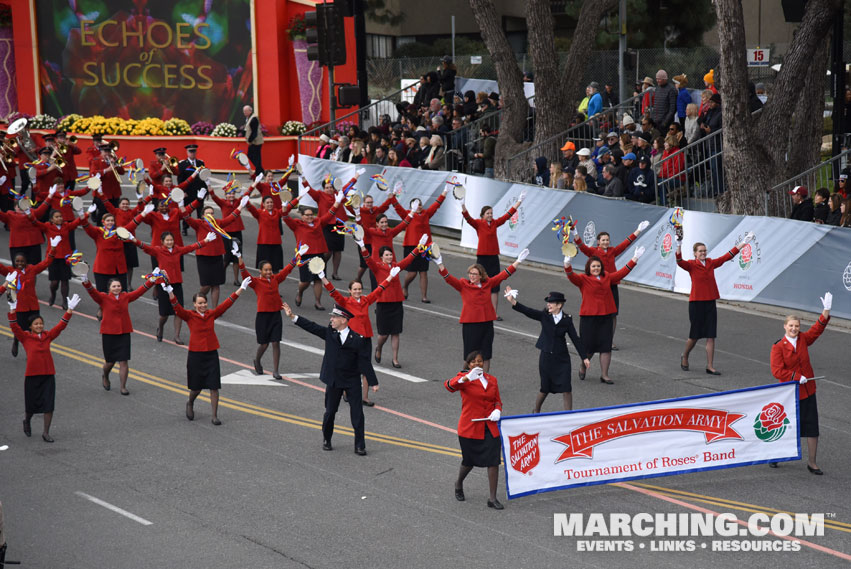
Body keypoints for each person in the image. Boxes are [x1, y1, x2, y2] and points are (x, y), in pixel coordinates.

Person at [283, 302, 373, 455]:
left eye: (334, 317)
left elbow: (364, 361)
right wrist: (292, 316)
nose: (331, 319)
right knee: (330, 412)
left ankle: (360, 445)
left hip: (351, 380)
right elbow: (312, 327)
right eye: (331, 317)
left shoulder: (357, 338)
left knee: (357, 414)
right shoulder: (329, 334)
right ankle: (327, 438)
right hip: (334, 380)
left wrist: (373, 381)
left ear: (343, 320)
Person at [165, 277, 250, 425]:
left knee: (214, 386)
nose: (203, 305)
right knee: (196, 387)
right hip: (196, 355)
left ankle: (214, 416)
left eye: (204, 302)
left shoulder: (211, 314)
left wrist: (241, 289)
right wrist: (170, 292)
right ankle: (190, 402)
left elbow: (226, 304)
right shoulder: (189, 315)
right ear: (194, 305)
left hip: (211, 354)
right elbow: (177, 308)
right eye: (200, 303)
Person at [434, 247, 529, 372]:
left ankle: (484, 381)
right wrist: (440, 264)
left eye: (475, 274)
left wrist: (518, 262)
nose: (472, 276)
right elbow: (449, 279)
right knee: (470, 356)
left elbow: (503, 275)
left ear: (481, 275)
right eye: (471, 274)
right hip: (471, 325)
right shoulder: (463, 285)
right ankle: (462, 378)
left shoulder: (488, 283)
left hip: (487, 323)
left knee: (486, 354)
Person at [768, 293, 832, 474]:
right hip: (790, 392)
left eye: (796, 326)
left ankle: (812, 462)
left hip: (808, 391)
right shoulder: (778, 346)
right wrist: (796, 376)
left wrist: (826, 310)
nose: (794, 329)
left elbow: (817, 329)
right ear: (785, 327)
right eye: (791, 326)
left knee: (812, 427)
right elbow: (777, 371)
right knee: (786, 426)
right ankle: (776, 455)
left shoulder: (803, 339)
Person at [320, 265, 400, 405]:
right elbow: (333, 292)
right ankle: (345, 391)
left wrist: (390, 277)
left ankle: (364, 397)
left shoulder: (365, 300)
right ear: (350, 291)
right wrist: (323, 278)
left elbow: (379, 290)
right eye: (355, 289)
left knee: (366, 367)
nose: (357, 291)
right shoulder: (345, 301)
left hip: (365, 339)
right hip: (351, 340)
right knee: (349, 366)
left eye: (359, 289)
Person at [677, 233, 754, 374]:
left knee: (711, 335)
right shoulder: (691, 265)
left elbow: (727, 257)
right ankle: (685, 355)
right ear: (695, 253)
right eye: (700, 251)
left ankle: (710, 366)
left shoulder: (711, 263)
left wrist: (743, 243)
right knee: (694, 336)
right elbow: (679, 261)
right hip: (696, 304)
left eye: (704, 250)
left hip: (710, 302)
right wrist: (679, 244)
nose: (703, 253)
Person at [9, 292, 81, 442]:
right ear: (30, 327)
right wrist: (12, 310)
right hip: (32, 375)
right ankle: (27, 421)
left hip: (48, 374)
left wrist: (69, 310)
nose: (39, 326)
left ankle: (45, 432)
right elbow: (15, 327)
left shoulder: (48, 335)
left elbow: (60, 327)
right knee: (31, 404)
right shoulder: (26, 337)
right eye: (36, 324)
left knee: (49, 404)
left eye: (41, 323)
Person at [564, 247, 643, 384]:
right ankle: (583, 367)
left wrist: (635, 258)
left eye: (598, 266)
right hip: (589, 318)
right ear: (589, 267)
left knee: (605, 347)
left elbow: (621, 273)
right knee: (589, 348)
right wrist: (567, 264)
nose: (596, 268)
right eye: (593, 266)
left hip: (606, 316)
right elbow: (571, 275)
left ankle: (604, 375)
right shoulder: (583, 279)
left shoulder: (607, 277)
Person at [505, 288, 589, 412]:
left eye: (551, 302)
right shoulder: (544, 316)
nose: (548, 304)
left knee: (567, 388)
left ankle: (568, 415)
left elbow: (575, 339)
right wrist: (513, 301)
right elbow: (528, 311)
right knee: (545, 388)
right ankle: (536, 410)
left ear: (559, 305)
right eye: (548, 302)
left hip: (562, 358)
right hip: (546, 357)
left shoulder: (567, 319)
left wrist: (584, 357)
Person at [574, 221, 649, 350]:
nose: (605, 242)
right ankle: (594, 339)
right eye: (603, 240)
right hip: (597, 287)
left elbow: (625, 244)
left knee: (613, 314)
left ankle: (609, 340)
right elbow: (581, 246)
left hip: (611, 284)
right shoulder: (593, 252)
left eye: (607, 240)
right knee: (598, 313)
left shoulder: (612, 251)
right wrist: (575, 233)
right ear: (598, 242)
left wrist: (638, 230)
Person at [81, 271, 158, 395]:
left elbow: (139, 291)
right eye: (114, 286)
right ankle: (105, 375)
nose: (117, 288)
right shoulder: (103, 298)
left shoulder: (125, 297)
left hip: (124, 332)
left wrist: (152, 280)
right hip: (109, 333)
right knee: (110, 362)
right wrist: (85, 281)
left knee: (124, 360)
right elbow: (92, 292)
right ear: (109, 289)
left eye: (118, 286)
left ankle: (123, 387)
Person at [444, 351, 504, 510]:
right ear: (468, 364)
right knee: (469, 461)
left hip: (489, 427)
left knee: (493, 461)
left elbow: (497, 401)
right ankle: (459, 483)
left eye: (480, 361)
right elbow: (449, 386)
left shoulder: (492, 380)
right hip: (470, 428)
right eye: (473, 362)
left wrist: (497, 411)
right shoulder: (464, 379)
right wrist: (466, 377)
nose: (477, 364)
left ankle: (492, 498)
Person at [238, 244, 308, 380]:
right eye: (266, 270)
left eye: (270, 270)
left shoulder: (276, 279)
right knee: (264, 344)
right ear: (260, 271)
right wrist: (239, 258)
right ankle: (257, 360)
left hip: (276, 314)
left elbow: (287, 270)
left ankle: (276, 370)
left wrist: (297, 256)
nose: (269, 272)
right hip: (263, 316)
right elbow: (244, 274)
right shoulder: (256, 282)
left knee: (276, 342)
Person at [132, 231, 212, 343]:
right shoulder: (158, 250)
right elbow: (145, 247)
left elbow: (190, 248)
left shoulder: (177, 250)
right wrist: (134, 240)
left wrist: (206, 240)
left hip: (177, 283)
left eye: (171, 240)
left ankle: (176, 335)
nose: (170, 242)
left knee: (178, 311)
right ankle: (160, 327)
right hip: (163, 284)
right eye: (167, 240)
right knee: (164, 314)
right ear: (162, 242)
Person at [460, 192, 525, 319]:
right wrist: (463, 205)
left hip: (493, 258)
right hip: (482, 259)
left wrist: (519, 201)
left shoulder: (495, 223)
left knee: (495, 286)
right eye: (487, 213)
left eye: (491, 213)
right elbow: (468, 218)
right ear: (483, 215)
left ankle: (493, 313)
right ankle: (476, 308)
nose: (490, 215)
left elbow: (507, 216)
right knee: (479, 283)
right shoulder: (478, 223)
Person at [359, 241, 420, 368]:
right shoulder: (377, 267)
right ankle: (379, 347)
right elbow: (368, 260)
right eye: (387, 255)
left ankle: (395, 359)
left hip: (397, 302)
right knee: (383, 334)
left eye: (391, 255)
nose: (389, 257)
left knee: (396, 332)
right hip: (383, 303)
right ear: (381, 257)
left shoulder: (395, 267)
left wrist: (419, 247)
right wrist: (362, 246)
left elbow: (408, 260)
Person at [184, 195, 249, 307]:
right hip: (203, 257)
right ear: (203, 216)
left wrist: (240, 206)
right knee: (206, 285)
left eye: (212, 213)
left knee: (216, 284)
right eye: (208, 213)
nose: (211, 215)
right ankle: (198, 300)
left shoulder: (218, 223)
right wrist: (182, 205)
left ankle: (215, 309)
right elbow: (186, 217)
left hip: (217, 257)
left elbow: (231, 218)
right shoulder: (199, 224)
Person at [391, 187, 449, 303]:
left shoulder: (426, 214)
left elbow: (436, 204)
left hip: (424, 247)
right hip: (411, 246)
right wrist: (392, 196)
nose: (419, 206)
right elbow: (397, 207)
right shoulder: (408, 214)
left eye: (420, 204)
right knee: (412, 273)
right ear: (411, 206)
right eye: (416, 204)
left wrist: (444, 193)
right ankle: (405, 286)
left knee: (423, 272)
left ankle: (424, 296)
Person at [0, 241, 57, 357]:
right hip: (20, 306)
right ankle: (16, 342)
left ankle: (31, 352)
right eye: (17, 261)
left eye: (22, 261)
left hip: (33, 305)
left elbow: (46, 263)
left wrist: (53, 248)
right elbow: (1, 268)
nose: (19, 263)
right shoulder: (11, 271)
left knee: (34, 330)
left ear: (26, 261)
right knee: (20, 329)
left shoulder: (32, 269)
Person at [283, 197, 339, 310]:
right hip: (305, 256)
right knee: (306, 281)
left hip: (318, 255)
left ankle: (318, 302)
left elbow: (330, 214)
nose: (309, 217)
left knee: (319, 279)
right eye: (307, 215)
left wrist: (338, 201)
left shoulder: (318, 222)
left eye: (311, 214)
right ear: (302, 216)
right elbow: (285, 216)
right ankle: (300, 292)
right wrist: (286, 205)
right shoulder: (296, 224)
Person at [28, 205, 85, 309]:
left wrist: (84, 214)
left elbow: (78, 222)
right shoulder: (47, 226)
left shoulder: (66, 226)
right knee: (54, 282)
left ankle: (65, 301)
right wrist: (29, 214)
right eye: (57, 217)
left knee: (65, 280)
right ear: (51, 219)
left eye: (60, 216)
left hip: (65, 257)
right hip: (53, 258)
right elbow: (35, 223)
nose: (60, 218)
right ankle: (53, 294)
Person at [244, 194, 299, 273]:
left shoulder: (277, 212)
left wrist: (298, 198)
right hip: (263, 245)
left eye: (271, 202)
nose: (270, 204)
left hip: (276, 245)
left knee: (275, 269)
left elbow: (287, 208)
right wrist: (245, 200)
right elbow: (251, 209)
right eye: (267, 202)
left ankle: (274, 284)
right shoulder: (259, 213)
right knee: (263, 269)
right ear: (263, 204)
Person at [177, 144, 208, 232]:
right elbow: (180, 179)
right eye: (190, 151)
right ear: (187, 152)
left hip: (198, 191)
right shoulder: (182, 164)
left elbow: (204, 178)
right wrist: (182, 192)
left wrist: (206, 191)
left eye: (194, 151)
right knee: (187, 211)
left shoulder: (200, 163)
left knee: (200, 210)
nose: (192, 153)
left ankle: (200, 227)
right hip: (188, 192)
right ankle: (185, 227)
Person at [243, 105, 263, 176]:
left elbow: (254, 132)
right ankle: (259, 171)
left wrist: (250, 140)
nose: (244, 112)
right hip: (254, 141)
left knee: (252, 156)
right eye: (244, 111)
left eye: (245, 111)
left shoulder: (253, 119)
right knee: (256, 157)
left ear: (250, 111)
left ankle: (260, 171)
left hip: (256, 142)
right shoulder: (249, 118)